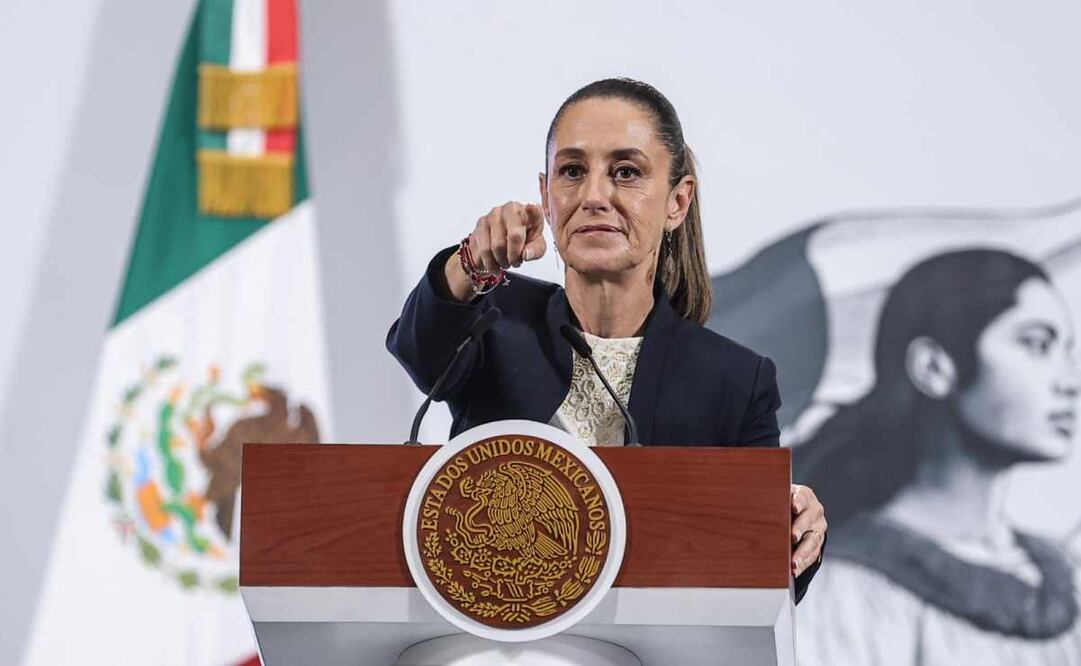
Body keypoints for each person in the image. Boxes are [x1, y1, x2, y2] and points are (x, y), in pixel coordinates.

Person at [386, 78, 827, 600]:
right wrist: (470, 264)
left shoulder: (735, 381)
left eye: (626, 172)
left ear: (677, 203)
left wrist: (796, 525)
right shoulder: (494, 318)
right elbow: (420, 348)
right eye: (572, 172)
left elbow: (762, 573)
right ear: (547, 197)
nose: (594, 196)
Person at [794, 249, 1081, 664]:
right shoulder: (846, 590)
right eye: (1036, 344)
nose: (1070, 381)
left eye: (1068, 351)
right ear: (934, 367)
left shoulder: (1065, 574)